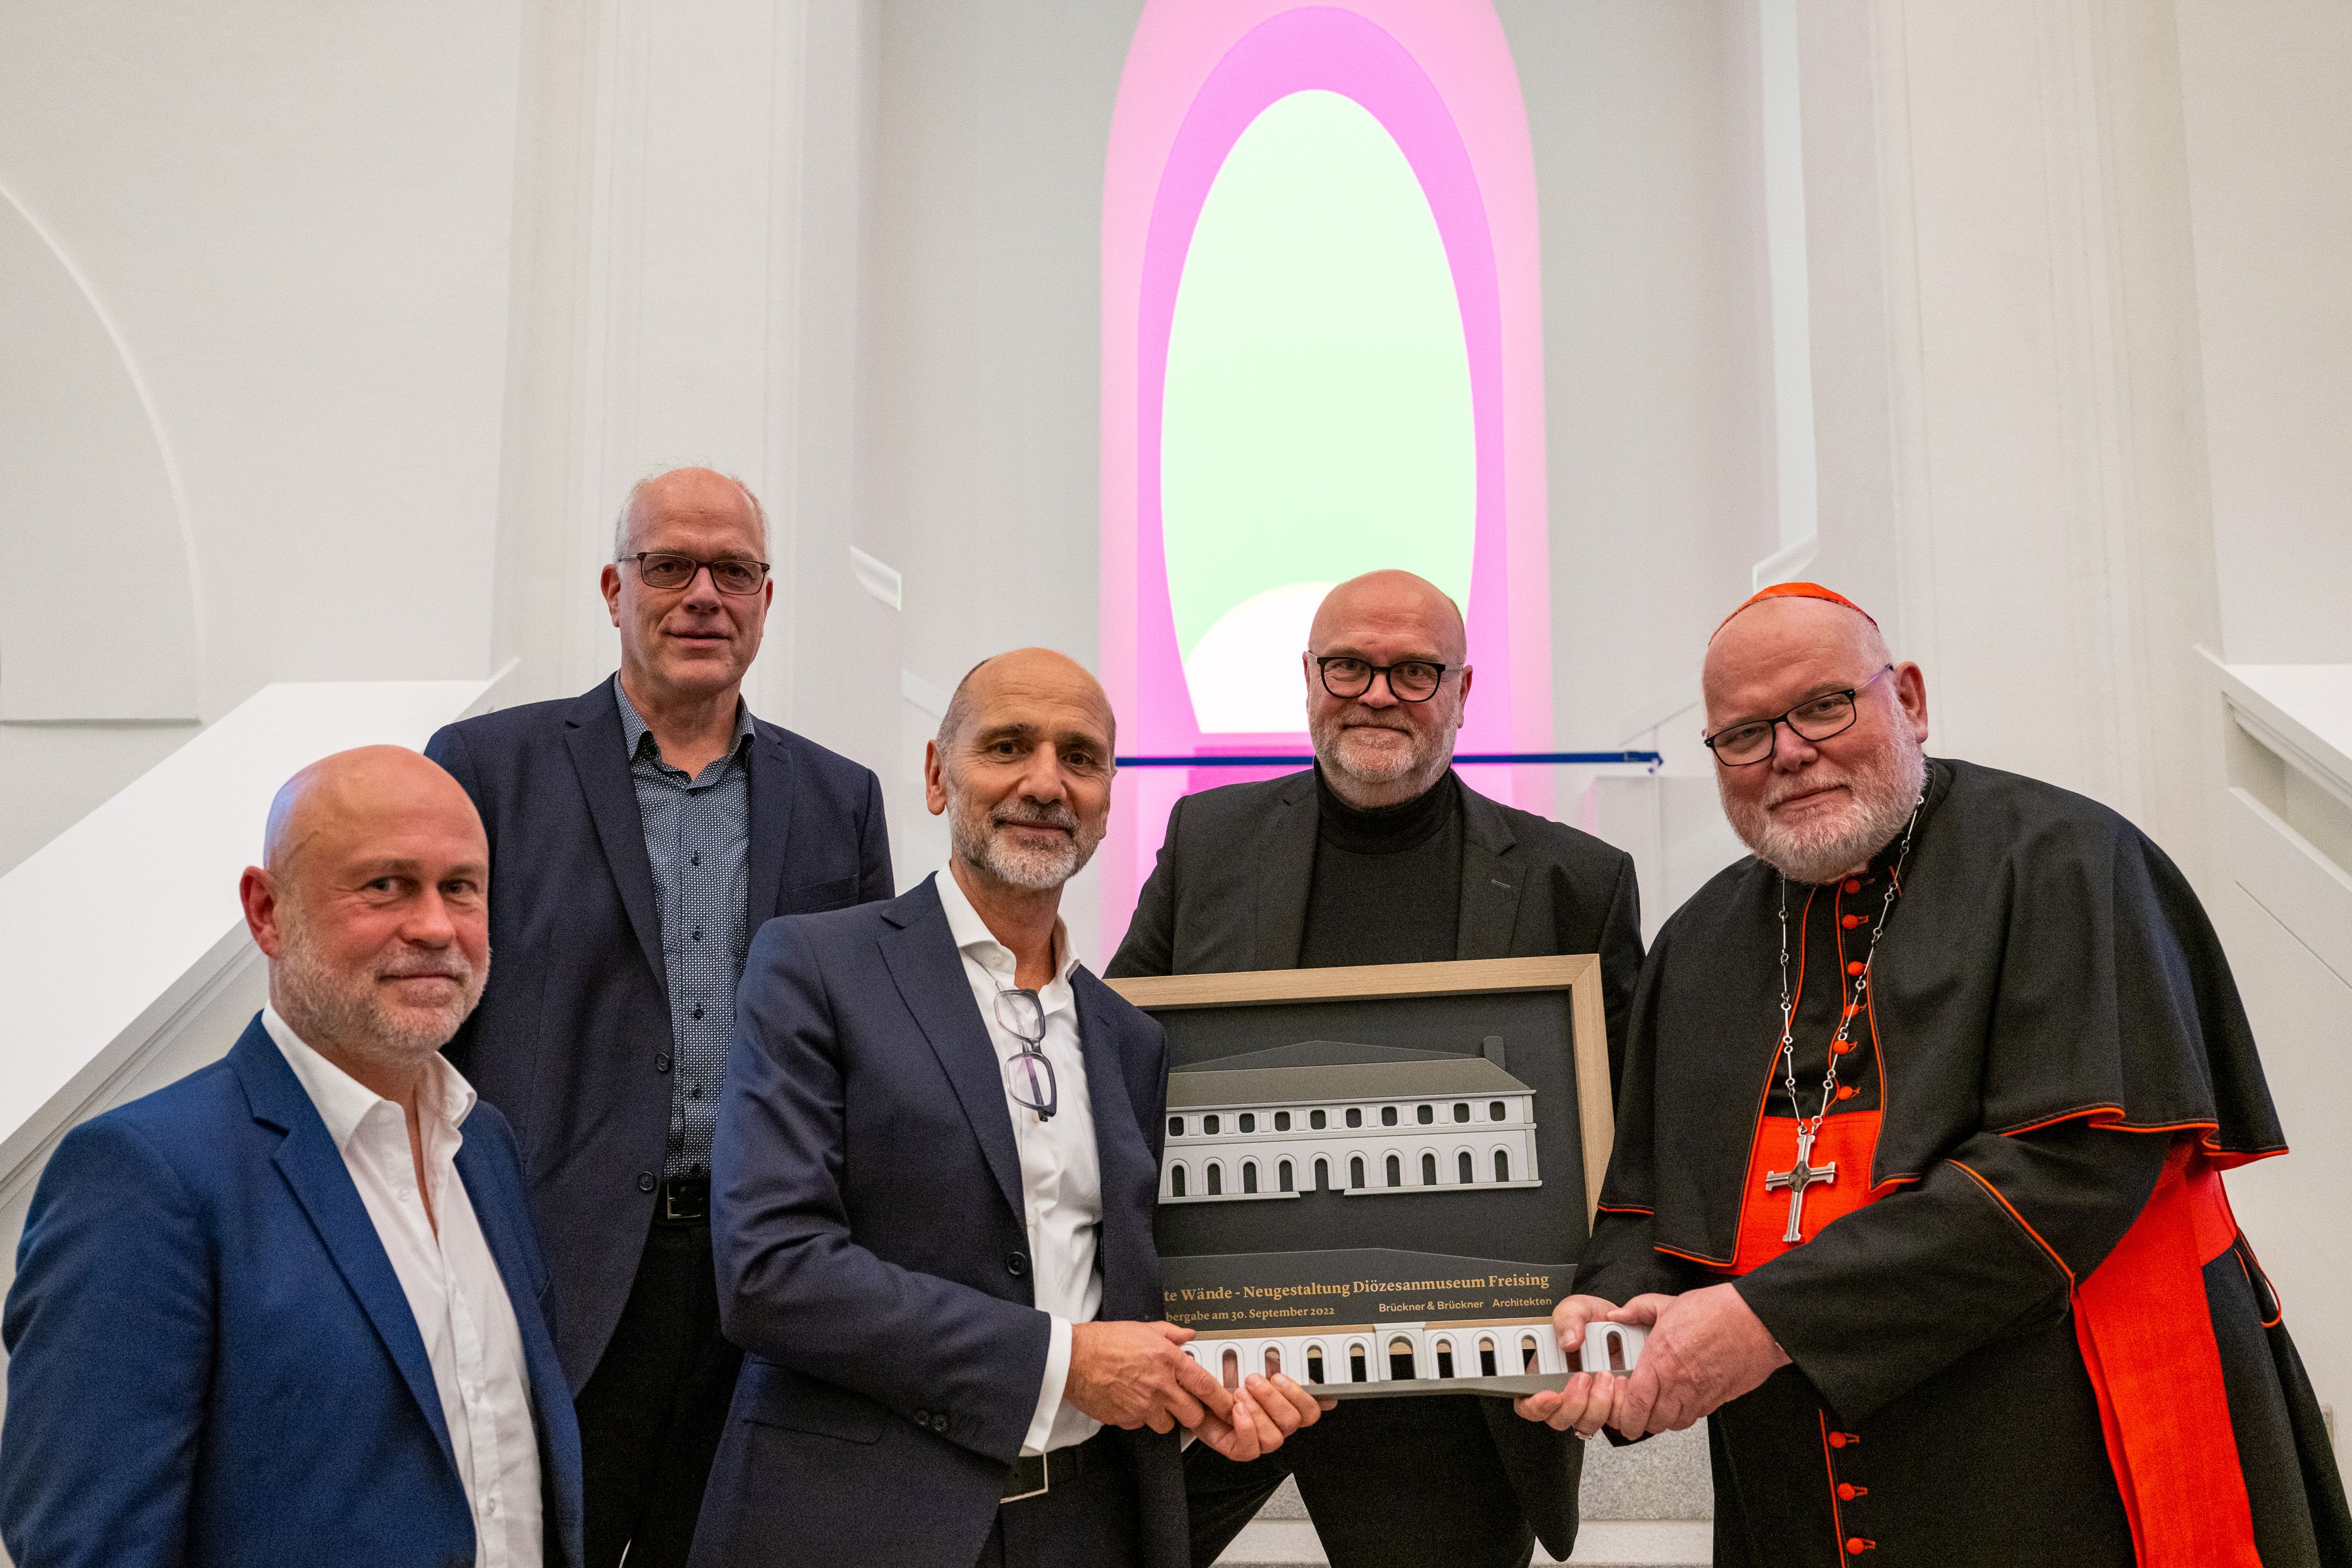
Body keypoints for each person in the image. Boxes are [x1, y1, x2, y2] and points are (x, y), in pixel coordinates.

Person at [1527, 582, 2352, 1566]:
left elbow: (2076, 1171)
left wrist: (1767, 1320)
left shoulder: (2065, 861)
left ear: (1908, 699)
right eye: (1742, 735)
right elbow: (1651, 1204)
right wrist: (1618, 1323)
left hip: (2057, 1444)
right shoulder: (1699, 943)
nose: (1788, 752)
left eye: (1823, 706)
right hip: (1795, 1472)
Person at [690, 648, 1326, 1568]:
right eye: (1008, 746)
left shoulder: (1129, 1039)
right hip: (856, 1525)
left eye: (1081, 757)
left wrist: (1202, 1405)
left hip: (1085, 1526)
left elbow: (1118, 1301)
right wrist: (1062, 1363)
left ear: (1109, 796)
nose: (1045, 781)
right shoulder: (816, 967)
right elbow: (771, 1272)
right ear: (937, 776)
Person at [1109, 570, 1645, 1568]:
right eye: (1348, 665)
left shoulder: (1578, 879)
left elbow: (1630, 1136)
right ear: (1307, 677)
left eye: (1413, 670)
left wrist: (1602, 1313)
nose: (1377, 693)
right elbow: (1114, 1060)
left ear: (1464, 689)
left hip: (1455, 1386)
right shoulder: (1209, 840)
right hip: (1227, 1351)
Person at [425, 466, 893, 1567]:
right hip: (551, 1270)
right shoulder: (485, 769)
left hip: (763, 1279)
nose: (702, 594)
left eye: (733, 570)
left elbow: (867, 1056)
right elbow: (428, 1031)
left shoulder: (842, 800)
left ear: (766, 602)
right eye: (669, 565)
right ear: (613, 587)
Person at [0, 747, 583, 1567]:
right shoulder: (144, 1176)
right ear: (267, 912)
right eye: (385, 885)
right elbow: (90, 1547)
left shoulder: (483, 1147)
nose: (435, 926)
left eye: (461, 887)